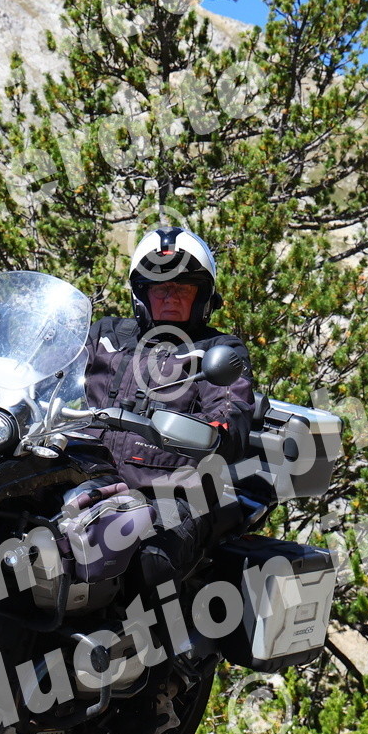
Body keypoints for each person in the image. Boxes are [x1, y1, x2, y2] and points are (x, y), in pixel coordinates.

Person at [81, 225, 258, 590]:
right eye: (160, 288)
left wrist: (213, 434)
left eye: (183, 289)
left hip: (169, 495)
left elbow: (231, 412)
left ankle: (150, 628)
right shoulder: (106, 336)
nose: (171, 298)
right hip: (82, 476)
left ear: (202, 296)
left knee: (148, 561)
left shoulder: (218, 351)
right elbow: (50, 370)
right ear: (141, 294)